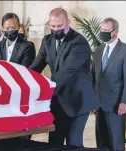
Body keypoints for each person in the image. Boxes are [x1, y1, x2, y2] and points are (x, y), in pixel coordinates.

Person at [29, 8, 97, 147]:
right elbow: (37, 66)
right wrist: (22, 80)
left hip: (77, 100)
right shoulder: (47, 40)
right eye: (53, 26)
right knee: (54, 142)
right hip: (58, 99)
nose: (56, 30)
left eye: (60, 26)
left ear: (68, 23)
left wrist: (44, 90)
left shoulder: (79, 42)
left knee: (73, 142)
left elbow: (66, 72)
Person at [91, 17, 126, 150]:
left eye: (106, 30)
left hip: (116, 104)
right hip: (99, 104)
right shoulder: (98, 50)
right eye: (102, 30)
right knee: (102, 142)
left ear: (115, 31)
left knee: (116, 142)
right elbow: (93, 76)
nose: (103, 32)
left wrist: (125, 102)